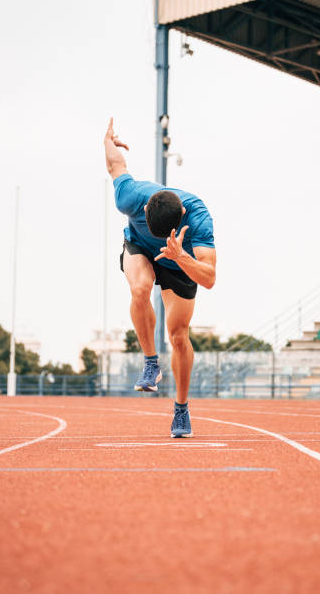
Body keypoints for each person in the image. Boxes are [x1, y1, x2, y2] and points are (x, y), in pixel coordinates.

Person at [104, 118, 216, 438]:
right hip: (140, 247)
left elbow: (209, 278)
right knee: (139, 288)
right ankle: (151, 362)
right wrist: (107, 141)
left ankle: (181, 409)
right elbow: (115, 165)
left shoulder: (199, 220)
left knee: (178, 334)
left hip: (180, 260)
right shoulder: (131, 196)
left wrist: (180, 255)